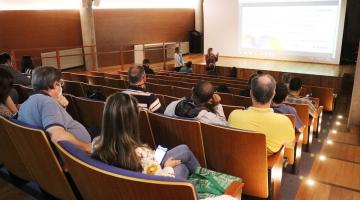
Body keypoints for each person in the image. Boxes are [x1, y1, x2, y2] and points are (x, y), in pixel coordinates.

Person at [92, 93, 200, 179]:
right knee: (182, 167)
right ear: (131, 122)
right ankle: (204, 184)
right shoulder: (138, 154)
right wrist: (167, 168)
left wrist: (151, 154)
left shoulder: (97, 143)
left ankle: (203, 179)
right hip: (155, 182)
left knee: (184, 149)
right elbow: (155, 183)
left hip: (147, 165)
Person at [17, 66, 92, 153]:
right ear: (56, 84)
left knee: (94, 129)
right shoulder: (48, 102)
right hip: (77, 156)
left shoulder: (25, 104)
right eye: (61, 83)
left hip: (41, 152)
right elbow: (57, 136)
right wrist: (86, 147)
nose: (61, 87)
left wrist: (62, 108)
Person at [228, 74, 295, 156]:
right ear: (273, 94)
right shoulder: (284, 121)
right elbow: (289, 149)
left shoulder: (234, 115)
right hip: (266, 166)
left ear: (251, 93)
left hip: (237, 162)